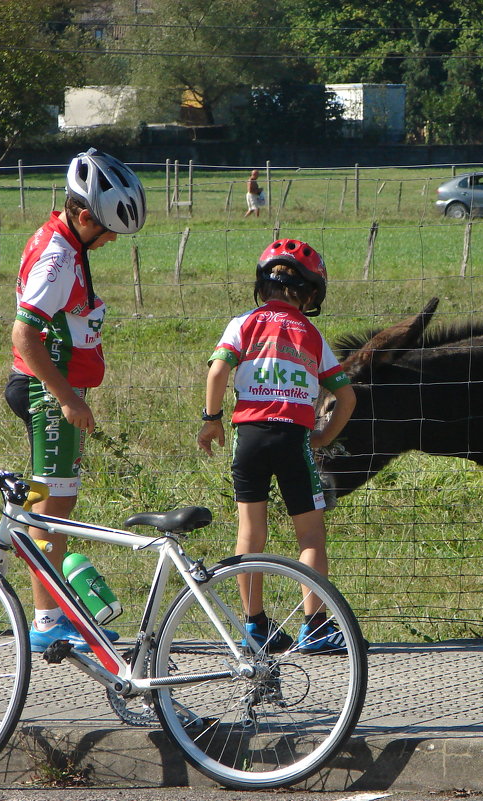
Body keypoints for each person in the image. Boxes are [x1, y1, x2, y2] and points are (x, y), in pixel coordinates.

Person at [5, 148, 146, 653]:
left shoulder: (66, 242)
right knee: (50, 511)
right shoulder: (59, 257)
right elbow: (24, 335)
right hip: (48, 391)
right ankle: (47, 622)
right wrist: (67, 399)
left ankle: (55, 613)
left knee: (56, 508)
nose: (110, 241)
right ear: (84, 215)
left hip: (56, 388)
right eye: (108, 230)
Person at [197, 239, 356, 654]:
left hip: (248, 438)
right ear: (308, 294)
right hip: (292, 439)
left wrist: (212, 421)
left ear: (261, 286)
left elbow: (217, 373)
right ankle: (315, 626)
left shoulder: (243, 323)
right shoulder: (312, 335)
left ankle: (254, 626)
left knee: (250, 533)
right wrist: (323, 436)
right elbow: (348, 397)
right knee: (310, 536)